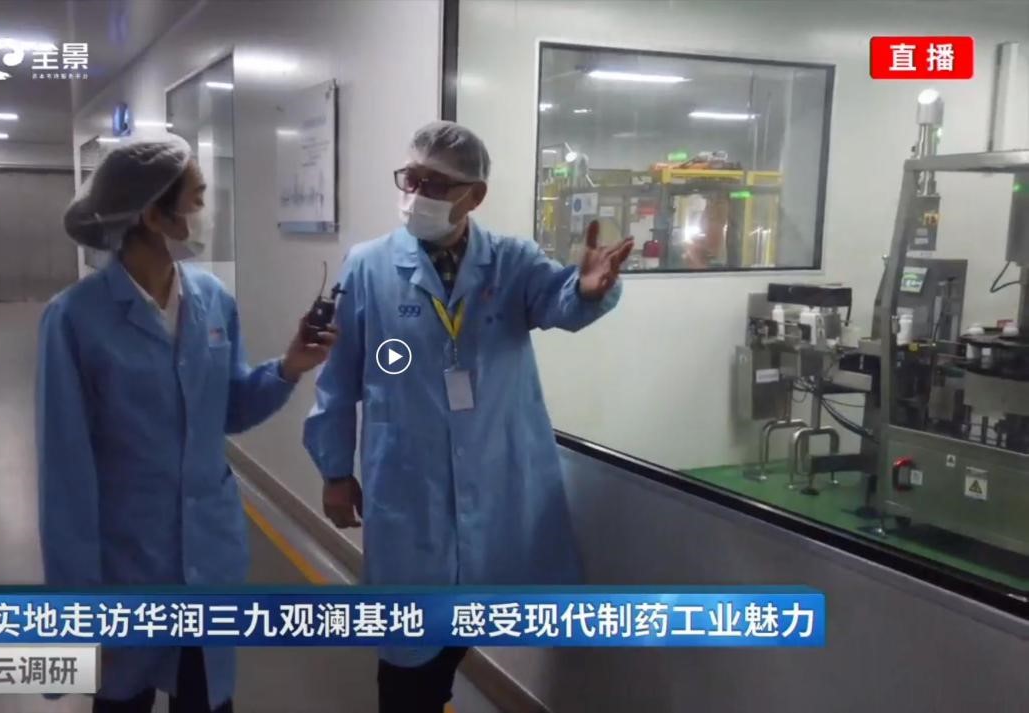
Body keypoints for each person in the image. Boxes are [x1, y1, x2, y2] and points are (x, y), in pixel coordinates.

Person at [302, 121, 632, 712]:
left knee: (462, 628)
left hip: (496, 478)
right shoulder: (369, 266)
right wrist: (333, 471)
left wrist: (586, 291)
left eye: (436, 184)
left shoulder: (511, 262)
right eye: (411, 179)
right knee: (407, 657)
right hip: (408, 485)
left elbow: (560, 305)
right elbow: (338, 379)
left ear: (474, 196)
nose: (417, 194)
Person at [38, 134, 335, 713]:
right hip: (127, 567)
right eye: (197, 197)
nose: (206, 211)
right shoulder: (75, 320)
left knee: (205, 698)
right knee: (122, 700)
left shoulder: (212, 300)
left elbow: (229, 409)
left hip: (208, 557)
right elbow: (64, 479)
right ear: (153, 214)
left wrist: (289, 368)